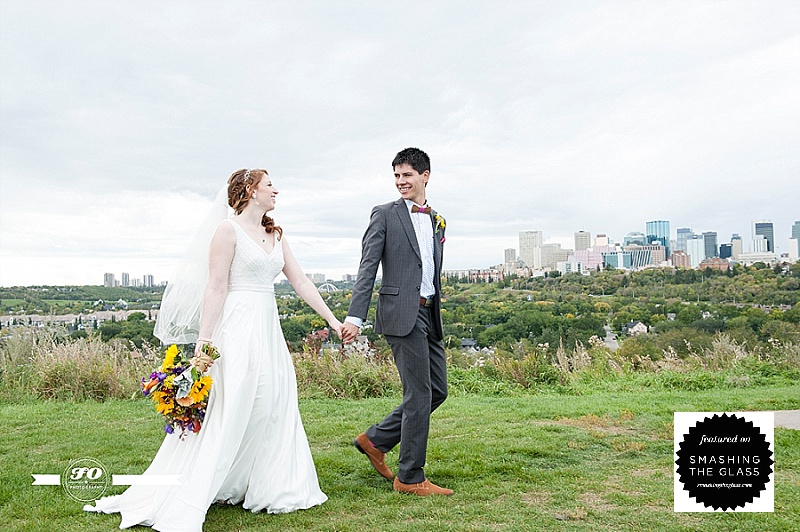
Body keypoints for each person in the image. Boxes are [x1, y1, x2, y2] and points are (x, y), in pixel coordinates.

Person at [85, 168, 342, 530]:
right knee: (232, 403)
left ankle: (269, 486)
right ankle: (207, 483)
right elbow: (216, 288)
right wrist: (204, 344)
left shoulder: (276, 233)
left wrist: (333, 321)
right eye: (270, 186)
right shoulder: (227, 231)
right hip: (236, 327)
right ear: (251, 191)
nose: (276, 191)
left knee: (271, 402)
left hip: (267, 327)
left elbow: (300, 281)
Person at [341, 147, 451, 496]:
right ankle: (410, 477)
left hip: (428, 312)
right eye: (397, 176)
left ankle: (375, 440)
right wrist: (355, 317)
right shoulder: (384, 215)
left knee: (436, 391)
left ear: (425, 176)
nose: (401, 182)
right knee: (419, 394)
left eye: (407, 175)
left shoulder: (436, 218)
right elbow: (367, 267)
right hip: (400, 314)